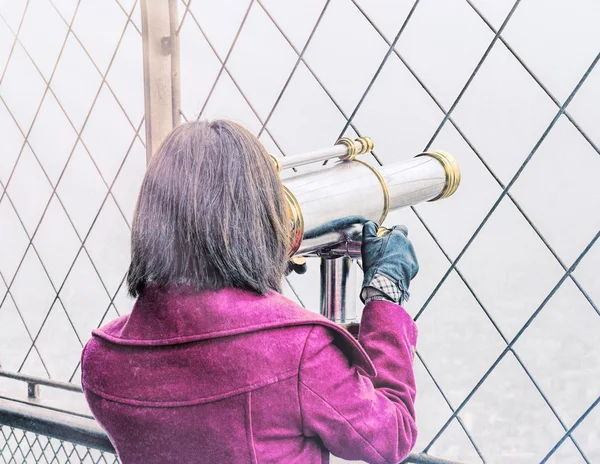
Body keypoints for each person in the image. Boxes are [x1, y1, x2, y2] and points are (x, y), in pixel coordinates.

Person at [81, 120, 419, 464]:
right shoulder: (299, 349)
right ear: (258, 216)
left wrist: (257, 270)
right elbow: (390, 436)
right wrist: (385, 293)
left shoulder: (102, 358)